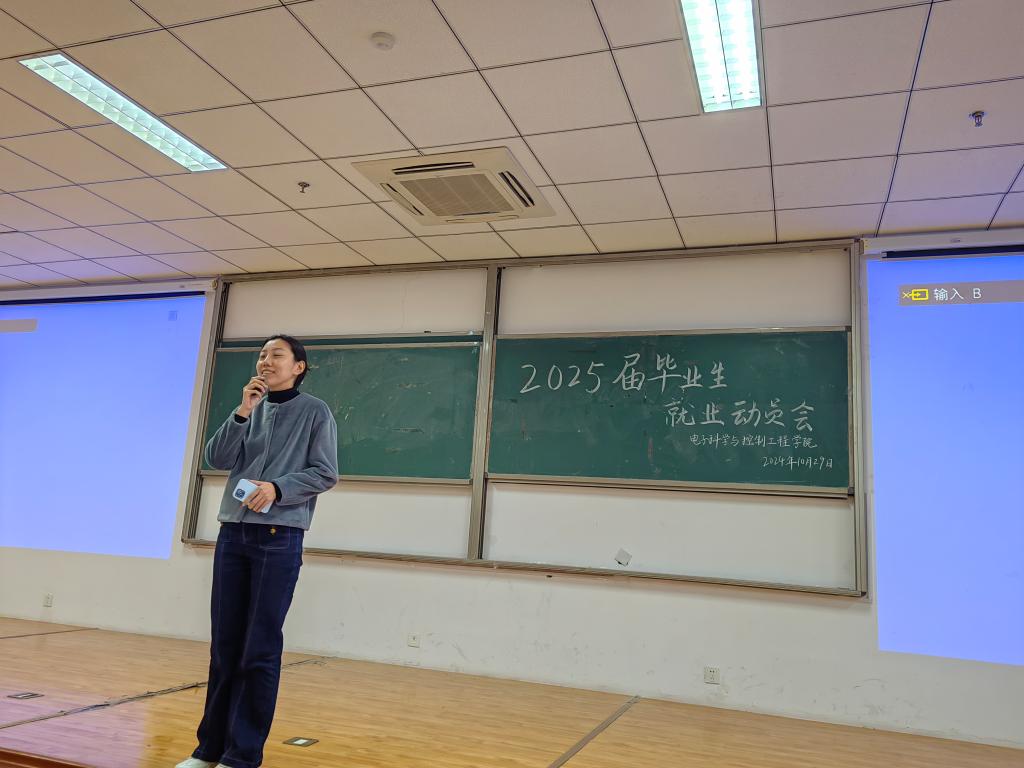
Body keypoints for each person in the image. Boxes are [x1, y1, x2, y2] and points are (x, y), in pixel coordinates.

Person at [177, 335, 338, 768]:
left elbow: (325, 472)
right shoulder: (250, 407)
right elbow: (217, 458)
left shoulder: (315, 411)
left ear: (299, 367)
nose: (266, 361)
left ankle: (242, 755)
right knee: (224, 646)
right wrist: (243, 411)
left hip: (278, 536)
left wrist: (279, 488)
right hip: (234, 533)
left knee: (259, 649)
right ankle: (208, 750)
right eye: (263, 354)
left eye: (277, 355)